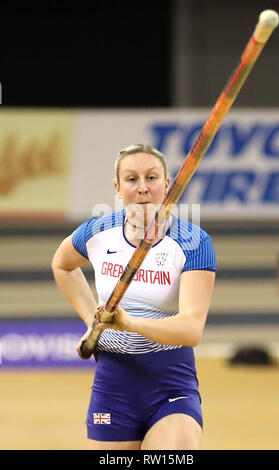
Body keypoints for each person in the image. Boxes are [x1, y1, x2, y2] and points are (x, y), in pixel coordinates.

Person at [51, 144, 216, 450]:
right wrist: (92, 322)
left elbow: (191, 329)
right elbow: (62, 265)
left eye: (152, 178)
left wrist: (129, 323)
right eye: (131, 179)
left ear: (167, 185)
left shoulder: (193, 242)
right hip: (113, 384)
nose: (142, 188)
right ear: (117, 188)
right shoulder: (98, 232)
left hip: (170, 384)